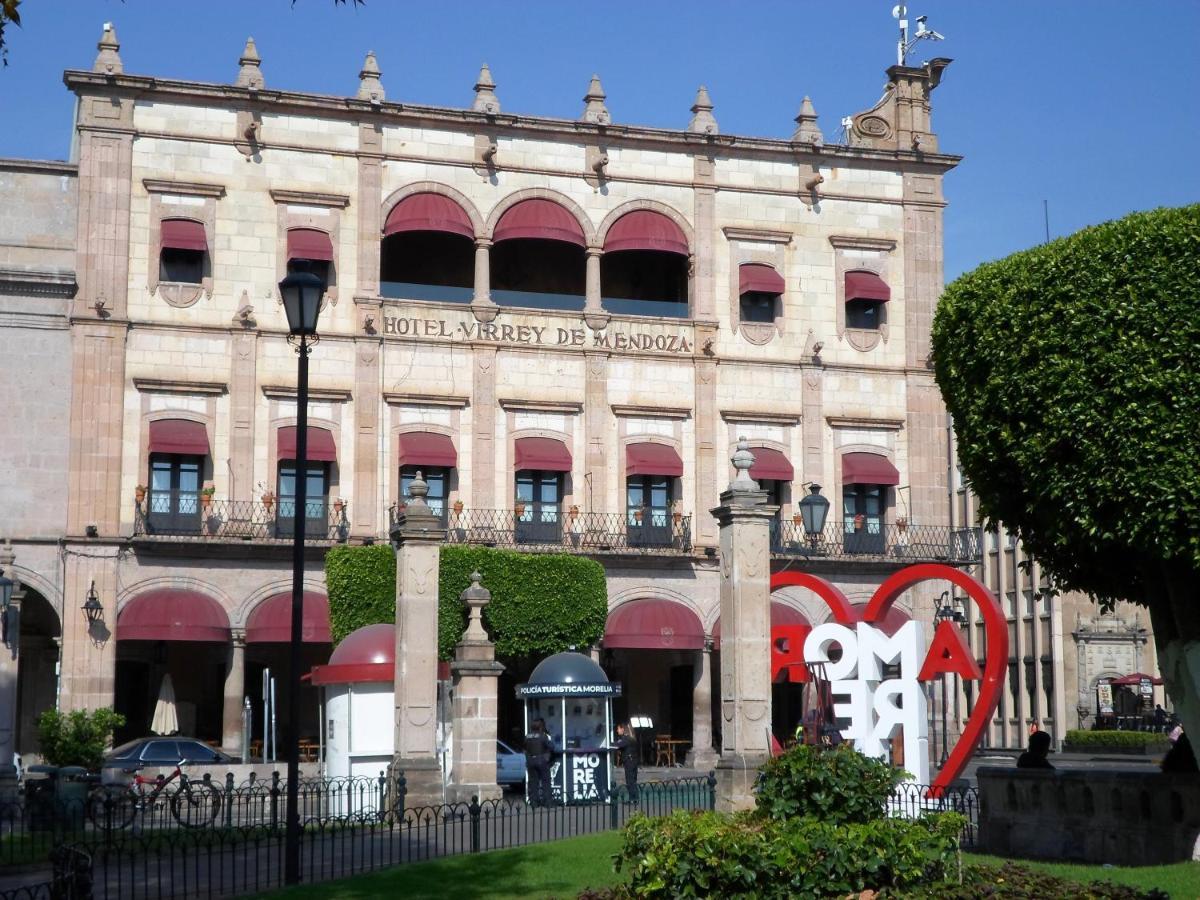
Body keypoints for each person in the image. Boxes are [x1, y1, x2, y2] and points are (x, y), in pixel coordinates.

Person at [524, 718, 554, 807]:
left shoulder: (527, 736)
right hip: (542, 761)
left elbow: (525, 749)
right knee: (546, 782)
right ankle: (548, 802)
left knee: (533, 783)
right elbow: (552, 747)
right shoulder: (543, 736)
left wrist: (528, 759)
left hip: (531, 761)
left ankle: (534, 802)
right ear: (540, 727)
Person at [614, 723, 639, 803]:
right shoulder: (632, 738)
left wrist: (610, 743)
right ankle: (635, 798)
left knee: (630, 780)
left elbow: (618, 745)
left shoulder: (626, 739)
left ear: (622, 729)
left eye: (618, 729)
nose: (617, 731)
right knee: (633, 780)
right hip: (634, 760)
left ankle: (632, 799)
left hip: (629, 761)